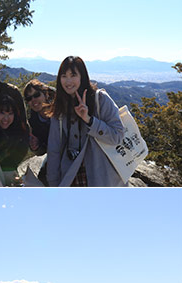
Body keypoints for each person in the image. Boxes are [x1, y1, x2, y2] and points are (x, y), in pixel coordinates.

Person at [46, 55, 125, 186]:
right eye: (64, 76)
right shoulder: (60, 106)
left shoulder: (100, 99)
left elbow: (117, 136)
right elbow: (54, 149)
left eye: (73, 75)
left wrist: (89, 120)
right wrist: (53, 183)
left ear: (82, 76)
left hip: (101, 176)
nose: (68, 81)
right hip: (71, 176)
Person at [0, 95, 30, 183]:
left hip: (12, 174)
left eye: (10, 114)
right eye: (2, 113)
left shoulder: (20, 131)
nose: (6, 118)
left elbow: (19, 156)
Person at [24, 80, 54, 154]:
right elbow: (42, 151)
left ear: (46, 95)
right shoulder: (33, 123)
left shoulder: (61, 110)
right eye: (29, 98)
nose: (33, 100)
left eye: (36, 95)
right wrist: (36, 146)